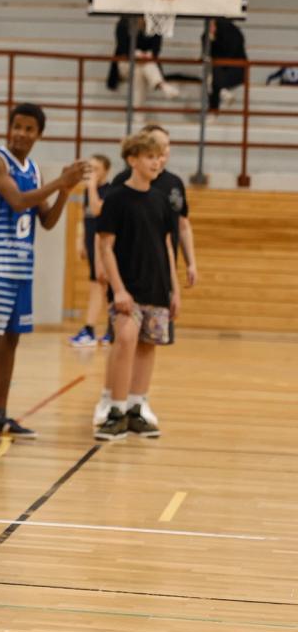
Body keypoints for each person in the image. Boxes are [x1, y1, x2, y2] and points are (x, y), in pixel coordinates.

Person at [0, 103, 87, 443]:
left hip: (21, 265)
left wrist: (65, 190)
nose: (21, 132)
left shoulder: (33, 169)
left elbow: (46, 221)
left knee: (12, 340)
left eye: (28, 128)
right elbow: (18, 201)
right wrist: (59, 181)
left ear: (38, 134)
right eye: (16, 126)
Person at [92, 124, 197, 428]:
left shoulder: (162, 199)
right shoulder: (116, 197)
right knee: (125, 339)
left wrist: (174, 289)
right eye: (150, 156)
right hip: (128, 285)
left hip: (157, 285)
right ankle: (115, 407)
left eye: (159, 157)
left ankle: (137, 406)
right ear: (132, 159)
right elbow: (105, 245)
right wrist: (118, 289)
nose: (157, 162)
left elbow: (167, 245)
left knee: (148, 345)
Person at [69, 153, 114, 348]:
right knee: (98, 284)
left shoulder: (109, 191)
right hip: (91, 241)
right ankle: (103, 330)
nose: (92, 173)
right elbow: (84, 216)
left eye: (96, 169)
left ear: (106, 170)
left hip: (104, 244)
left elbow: (97, 210)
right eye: (90, 169)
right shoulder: (90, 190)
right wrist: (80, 241)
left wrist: (91, 185)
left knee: (101, 284)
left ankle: (93, 329)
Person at [106, 15, 180, 103]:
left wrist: (148, 54)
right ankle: (161, 84)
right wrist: (137, 54)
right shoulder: (124, 23)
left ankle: (137, 115)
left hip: (144, 63)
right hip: (125, 63)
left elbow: (156, 48)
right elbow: (122, 47)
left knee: (138, 72)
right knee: (142, 66)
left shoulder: (154, 23)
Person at [204, 17, 246, 112]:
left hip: (235, 71)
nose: (210, 27)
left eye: (212, 24)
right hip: (217, 71)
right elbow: (205, 55)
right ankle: (222, 92)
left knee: (214, 72)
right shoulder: (207, 36)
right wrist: (210, 39)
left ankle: (214, 107)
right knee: (212, 71)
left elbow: (228, 55)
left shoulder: (233, 34)